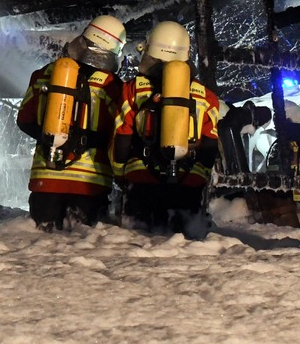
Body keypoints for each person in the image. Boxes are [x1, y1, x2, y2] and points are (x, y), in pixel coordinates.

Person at [110, 21, 221, 239]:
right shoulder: (206, 96)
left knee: (136, 247)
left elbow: (121, 138)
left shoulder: (133, 89)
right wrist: (197, 178)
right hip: (188, 186)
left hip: (142, 184)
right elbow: (209, 149)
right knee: (185, 249)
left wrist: (120, 173)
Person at [17, 15, 126, 231]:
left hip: (45, 181)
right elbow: (118, 134)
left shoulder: (43, 74)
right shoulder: (111, 86)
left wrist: (51, 137)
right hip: (90, 186)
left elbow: (24, 121)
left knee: (39, 247)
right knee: (82, 252)